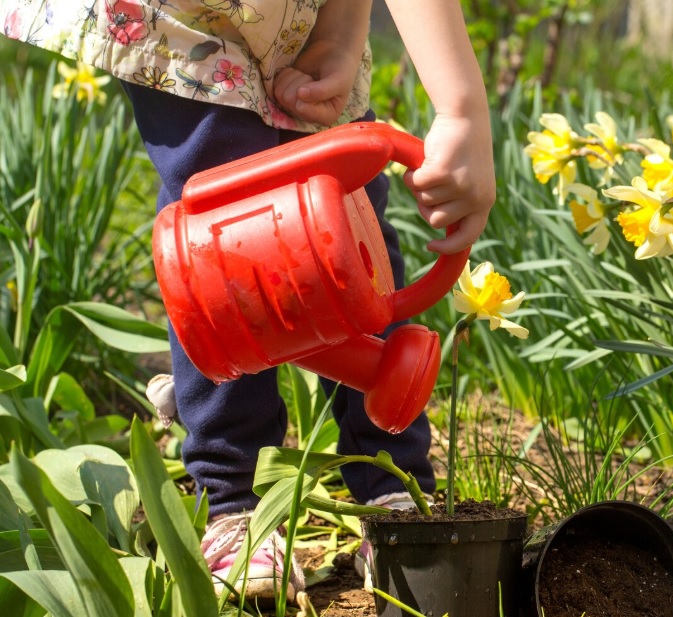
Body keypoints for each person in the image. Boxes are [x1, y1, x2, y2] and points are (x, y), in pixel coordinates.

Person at [1, 0, 494, 604]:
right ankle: (232, 498)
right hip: (192, 17)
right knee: (225, 235)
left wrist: (342, 30)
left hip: (301, 18)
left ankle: (392, 483)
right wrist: (459, 108)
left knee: (349, 218)